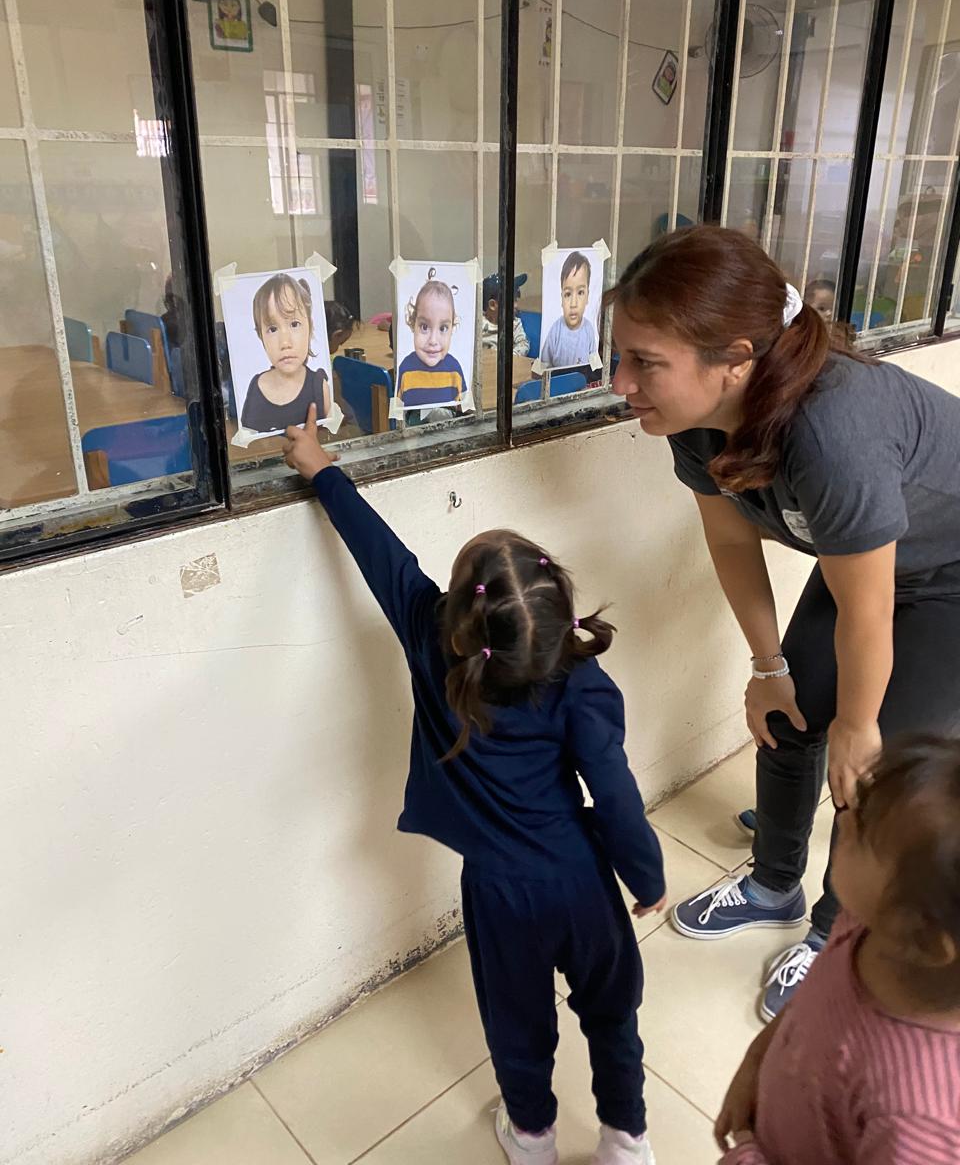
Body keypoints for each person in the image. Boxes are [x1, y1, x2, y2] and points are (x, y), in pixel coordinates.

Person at [281, 409, 666, 1165]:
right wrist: (646, 877)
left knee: (517, 1023)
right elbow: (616, 795)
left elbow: (379, 553)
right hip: (582, 879)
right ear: (558, 612)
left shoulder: (433, 646)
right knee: (612, 1015)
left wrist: (319, 466)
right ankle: (627, 1140)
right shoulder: (580, 683)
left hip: (499, 892)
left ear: (460, 616)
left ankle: (532, 1137)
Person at [608, 223, 960, 1023]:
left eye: (645, 363)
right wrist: (767, 668)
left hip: (951, 575)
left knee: (877, 771)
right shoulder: (694, 422)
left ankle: (837, 931)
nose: (621, 382)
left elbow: (869, 608)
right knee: (788, 712)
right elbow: (732, 540)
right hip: (871, 561)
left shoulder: (833, 431)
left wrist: (859, 725)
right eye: (620, 355)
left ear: (735, 358)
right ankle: (773, 883)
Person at [716, 734, 960, 1164]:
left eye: (863, 835)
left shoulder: (918, 1121)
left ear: (922, 937)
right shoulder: (864, 925)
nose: (844, 821)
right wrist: (756, 1061)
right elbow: (812, 1000)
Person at [241, 273, 330, 433]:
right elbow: (248, 441)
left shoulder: (318, 386)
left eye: (294, 324)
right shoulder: (256, 387)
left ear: (310, 328)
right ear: (261, 336)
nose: (285, 343)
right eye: (272, 329)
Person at [396, 279, 467, 408]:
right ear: (413, 324)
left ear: (452, 329)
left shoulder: (455, 370)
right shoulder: (405, 369)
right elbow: (397, 414)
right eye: (424, 327)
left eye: (443, 328)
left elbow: (465, 411)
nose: (433, 341)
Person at [540, 251, 599, 368]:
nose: (573, 303)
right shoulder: (555, 331)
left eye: (580, 292)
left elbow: (593, 366)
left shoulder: (589, 331)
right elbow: (543, 366)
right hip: (558, 379)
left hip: (582, 379)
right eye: (567, 294)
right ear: (561, 298)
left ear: (587, 296)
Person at [482, 272, 530, 356]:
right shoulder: (477, 323)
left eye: (516, 299)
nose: (516, 305)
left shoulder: (514, 323)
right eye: (512, 300)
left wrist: (508, 357)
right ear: (492, 305)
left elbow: (523, 344)